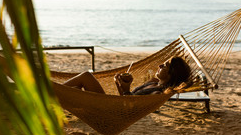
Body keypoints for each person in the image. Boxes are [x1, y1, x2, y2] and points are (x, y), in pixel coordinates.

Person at [63, 56, 191, 95]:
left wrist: (125, 90)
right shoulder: (153, 82)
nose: (159, 66)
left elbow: (130, 109)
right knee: (73, 91)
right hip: (114, 108)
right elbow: (126, 100)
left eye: (164, 66)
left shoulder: (157, 94)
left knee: (86, 77)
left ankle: (47, 93)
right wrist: (121, 85)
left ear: (171, 74)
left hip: (109, 113)